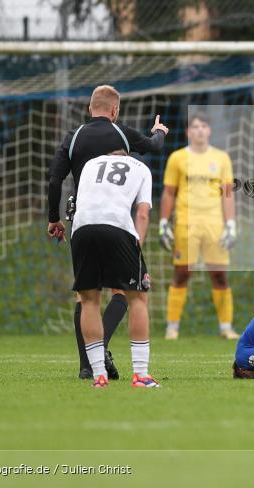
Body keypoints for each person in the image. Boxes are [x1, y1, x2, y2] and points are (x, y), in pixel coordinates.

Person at [47, 85, 168, 379]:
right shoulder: (121, 133)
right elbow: (153, 146)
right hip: (117, 221)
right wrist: (159, 131)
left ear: (90, 108)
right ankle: (105, 351)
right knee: (124, 291)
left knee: (86, 295)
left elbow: (54, 180)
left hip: (82, 220)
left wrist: (54, 219)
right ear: (115, 110)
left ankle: (87, 366)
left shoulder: (74, 137)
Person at [70, 149, 160, 388]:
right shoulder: (140, 168)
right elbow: (142, 214)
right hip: (117, 227)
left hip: (81, 229)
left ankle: (99, 376)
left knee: (89, 300)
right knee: (137, 297)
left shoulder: (90, 163)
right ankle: (141, 375)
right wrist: (137, 248)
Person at [159, 113, 239, 340]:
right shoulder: (177, 158)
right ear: (188, 132)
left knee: (219, 276)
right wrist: (164, 222)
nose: (200, 130)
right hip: (186, 224)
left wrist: (231, 224)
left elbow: (227, 194)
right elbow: (169, 192)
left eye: (204, 126)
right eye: (195, 126)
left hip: (214, 224)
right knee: (181, 274)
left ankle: (226, 328)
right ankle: (172, 328)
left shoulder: (222, 158)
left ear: (209, 130)